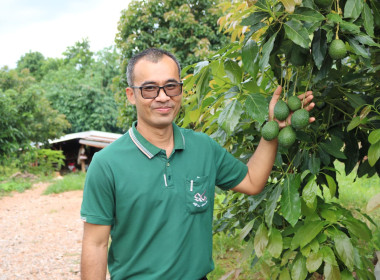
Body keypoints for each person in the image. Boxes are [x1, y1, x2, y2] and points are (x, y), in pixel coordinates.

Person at [80, 48, 315, 280]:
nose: (163, 97)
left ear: (181, 89)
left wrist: (272, 130)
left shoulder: (203, 147)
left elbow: (252, 181)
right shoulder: (107, 164)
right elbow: (95, 244)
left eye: (171, 86)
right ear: (131, 95)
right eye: (149, 88)